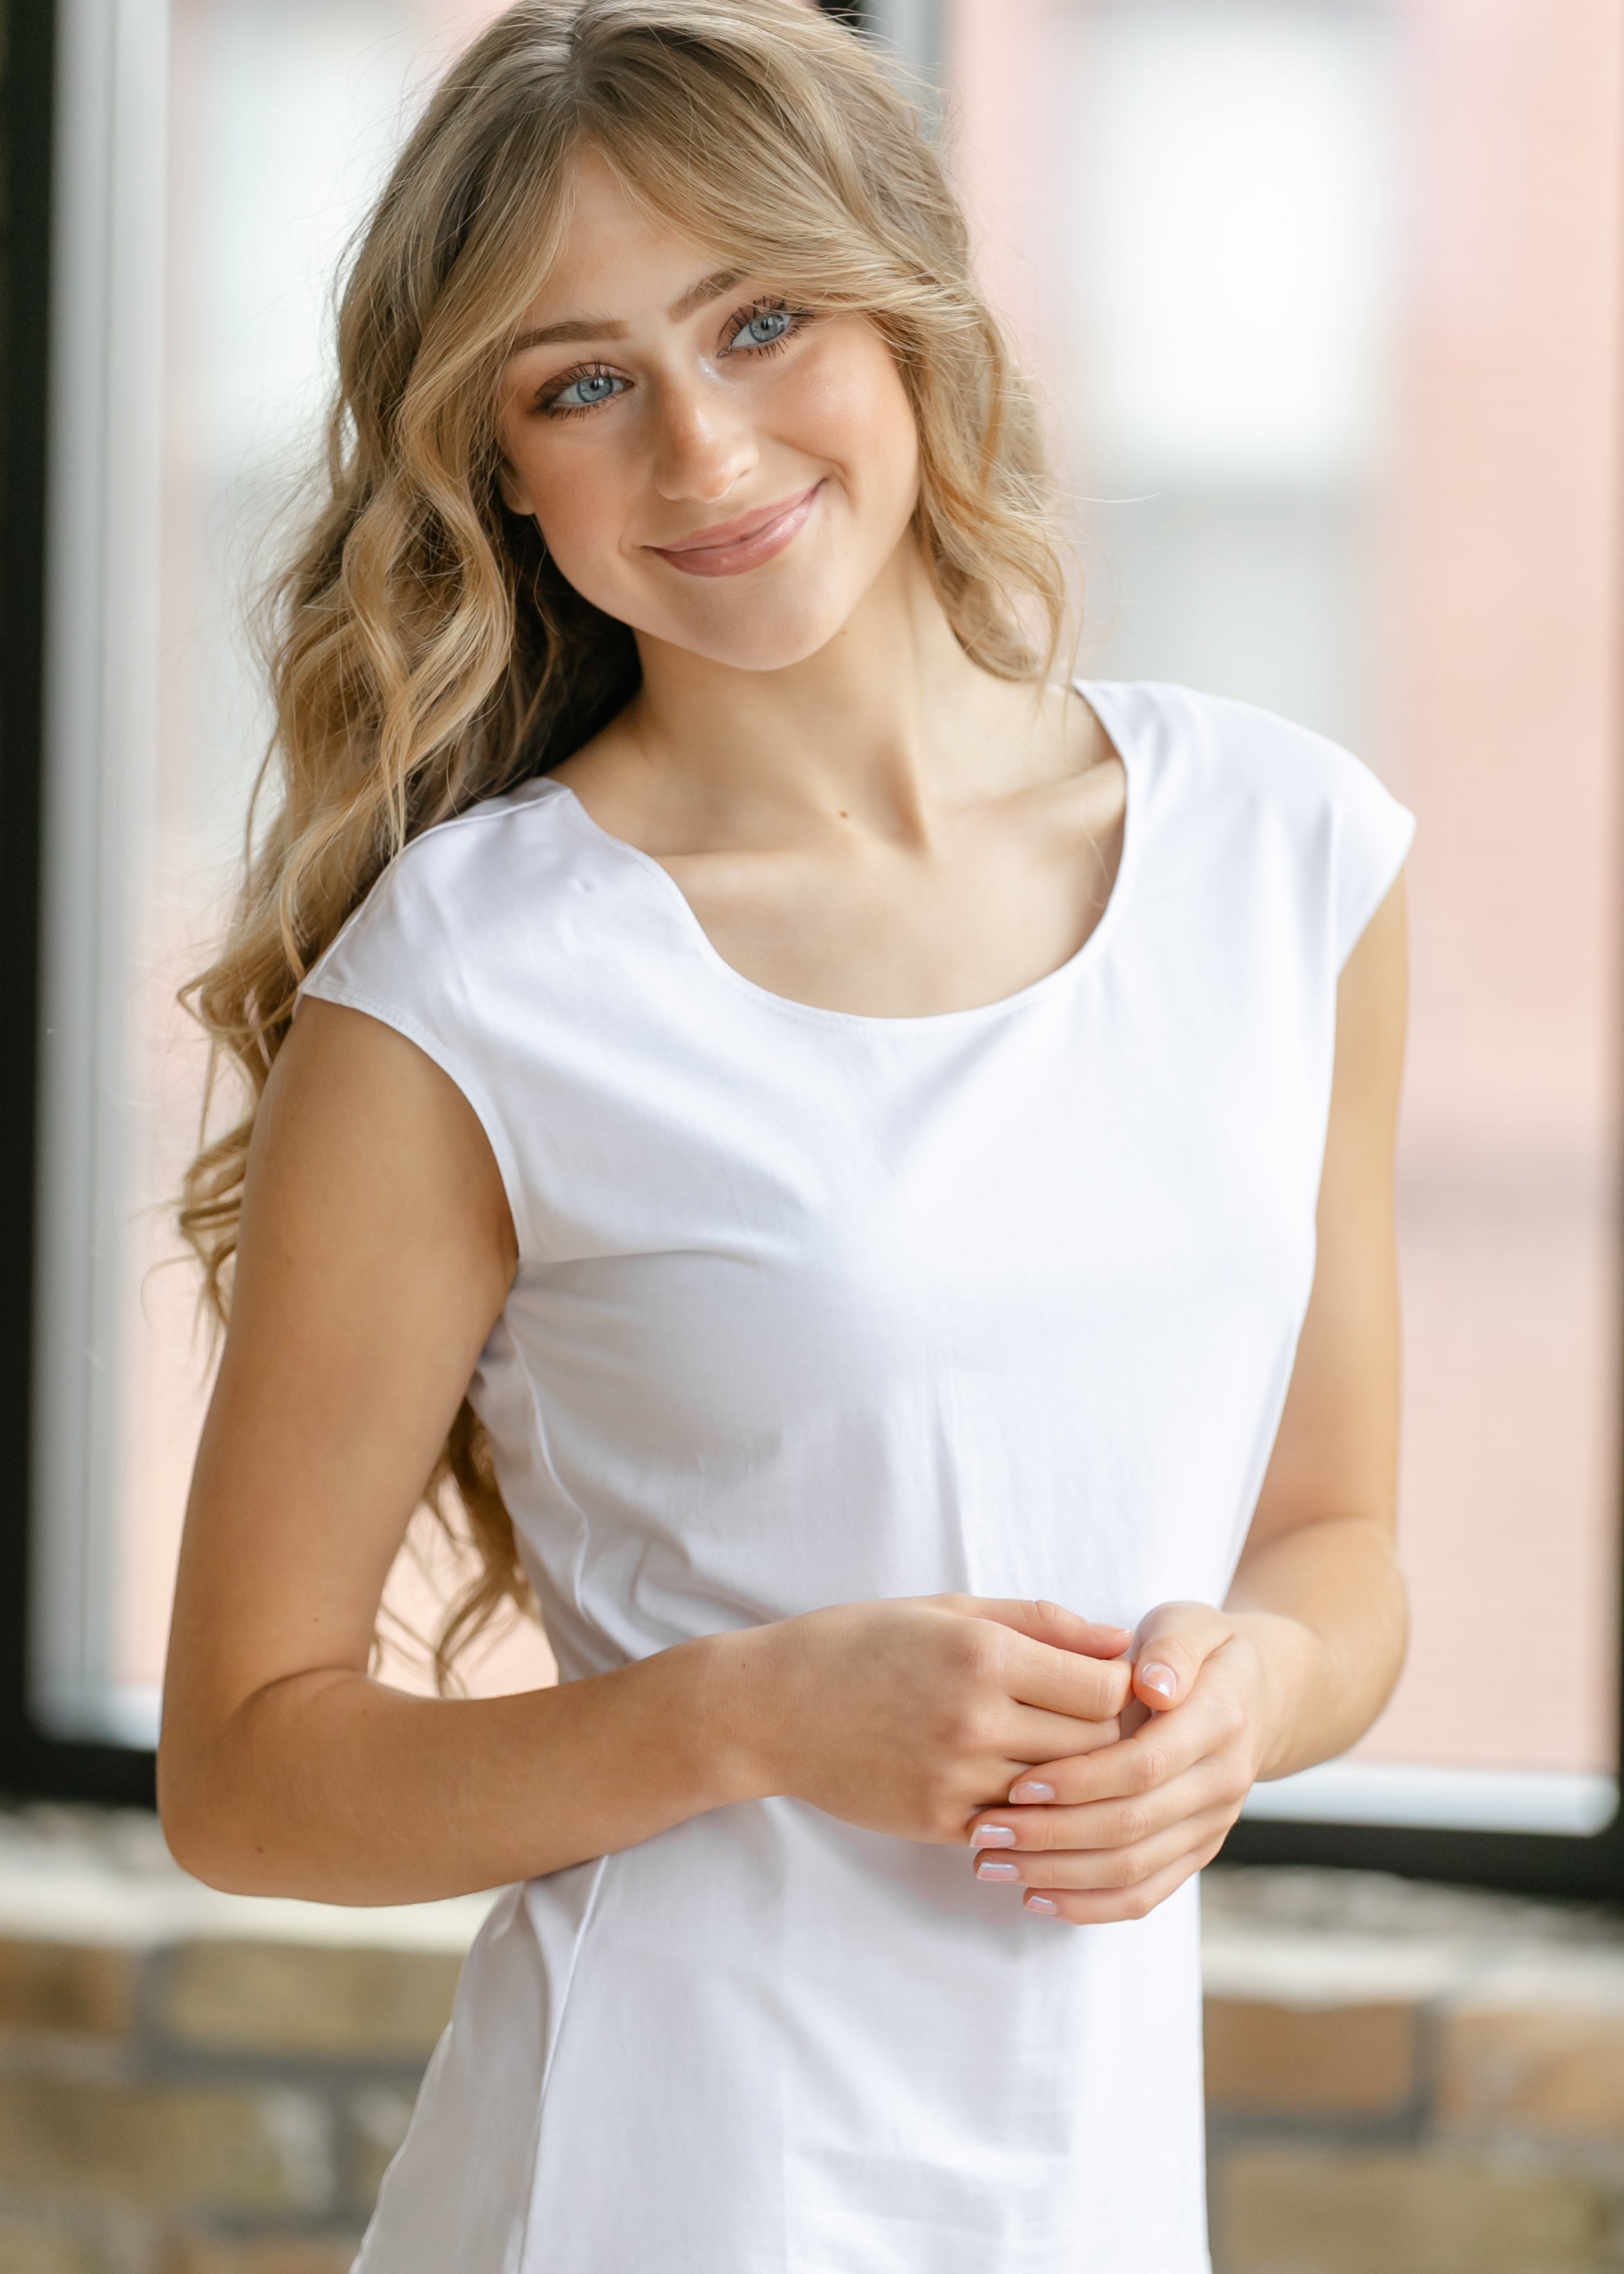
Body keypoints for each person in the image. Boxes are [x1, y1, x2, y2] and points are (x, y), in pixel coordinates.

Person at [157, 3, 1413, 2268]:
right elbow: (248, 1775)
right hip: (655, 2185)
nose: (706, 447)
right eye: (582, 382)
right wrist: (751, 1714)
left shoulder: (1290, 864)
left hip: (1086, 2184)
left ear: (911, 302)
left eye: (761, 317)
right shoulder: (470, 989)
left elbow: (1339, 1543)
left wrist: (1254, 1705)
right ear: (501, 474)